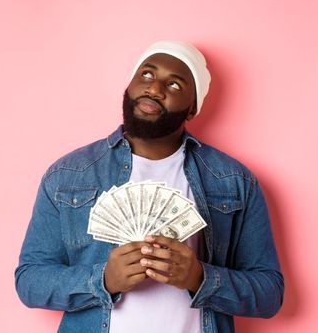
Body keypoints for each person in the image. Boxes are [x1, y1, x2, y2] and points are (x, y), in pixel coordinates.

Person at [14, 41, 283, 333]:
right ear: (129, 84)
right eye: (146, 75)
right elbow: (30, 282)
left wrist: (200, 277)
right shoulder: (68, 175)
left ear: (192, 108)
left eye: (175, 85)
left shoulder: (235, 181)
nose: (155, 89)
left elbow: (269, 294)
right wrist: (103, 280)